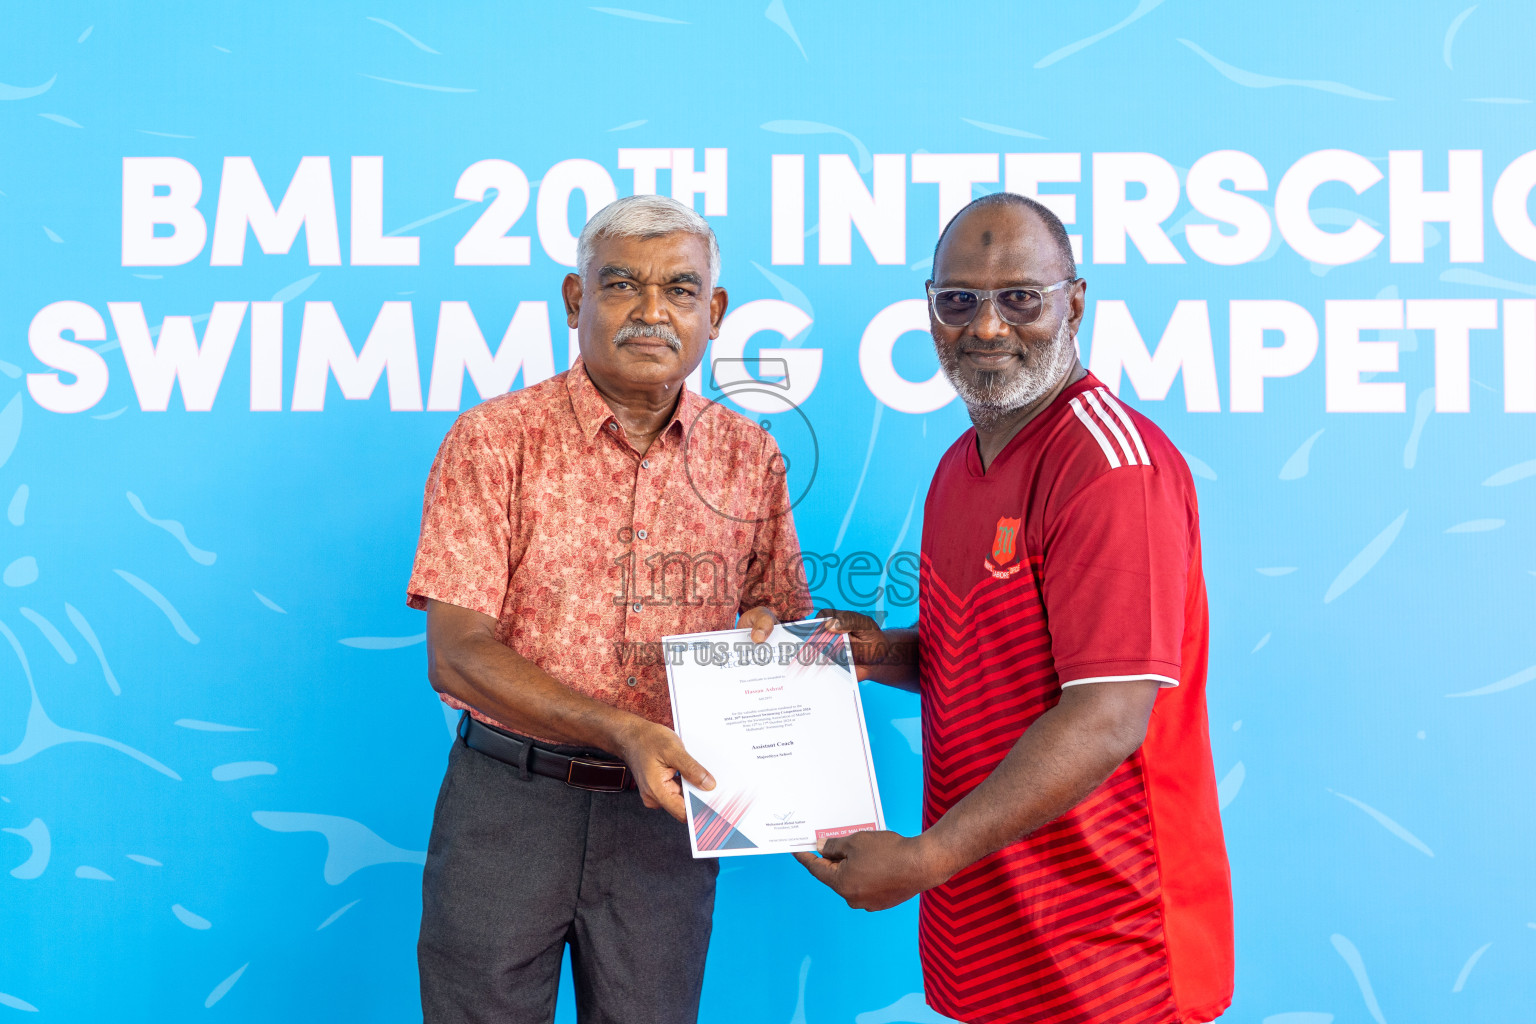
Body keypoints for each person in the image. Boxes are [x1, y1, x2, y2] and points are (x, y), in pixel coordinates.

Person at [796, 193, 1234, 1024]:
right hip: (992, 928)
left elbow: (1106, 717)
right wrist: (871, 654)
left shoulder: (1111, 469)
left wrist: (926, 859)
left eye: (1019, 298)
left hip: (1111, 940)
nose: (987, 328)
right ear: (931, 313)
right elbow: (989, 658)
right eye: (958, 300)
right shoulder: (963, 462)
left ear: (1076, 302)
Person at [407, 194, 811, 1024]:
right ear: (573, 300)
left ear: (716, 313)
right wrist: (622, 730)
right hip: (509, 805)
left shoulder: (752, 457)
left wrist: (777, 646)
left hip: (664, 821)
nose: (652, 312)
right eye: (622, 285)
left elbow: (776, 621)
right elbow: (456, 653)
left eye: (681, 290)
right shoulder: (493, 441)